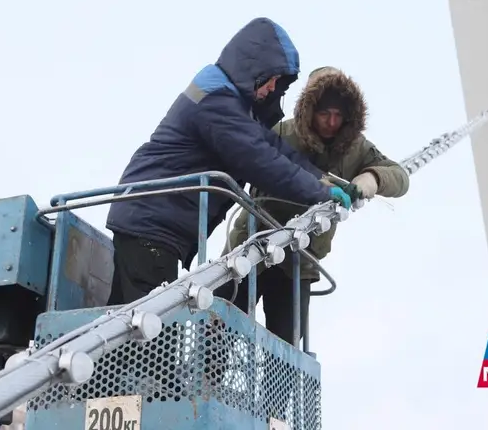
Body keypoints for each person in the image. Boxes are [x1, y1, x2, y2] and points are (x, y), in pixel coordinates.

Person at [105, 19, 352, 307]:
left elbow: (272, 147)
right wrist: (319, 193)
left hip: (147, 219)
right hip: (152, 222)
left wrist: (324, 179)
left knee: (126, 322)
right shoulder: (217, 102)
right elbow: (261, 160)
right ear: (253, 66)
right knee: (152, 333)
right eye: (272, 77)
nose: (273, 88)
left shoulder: (229, 101)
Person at [214, 65, 410, 346]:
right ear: (309, 109)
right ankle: (205, 383)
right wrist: (318, 186)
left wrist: (373, 178)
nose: (331, 122)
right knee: (220, 328)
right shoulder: (282, 133)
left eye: (338, 115)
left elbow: (400, 177)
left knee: (285, 347)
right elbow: (253, 163)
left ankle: (277, 390)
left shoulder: (357, 148)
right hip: (251, 246)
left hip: (299, 262)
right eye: (323, 113)